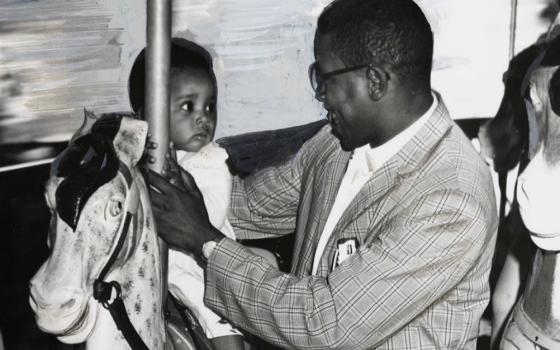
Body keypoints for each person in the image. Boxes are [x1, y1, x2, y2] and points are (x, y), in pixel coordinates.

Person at [148, 0, 499, 348]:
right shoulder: (335, 145)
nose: (319, 94)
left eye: (324, 77)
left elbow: (323, 323)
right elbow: (243, 206)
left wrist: (205, 241)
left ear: (374, 82)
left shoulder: (450, 198)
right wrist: (152, 179)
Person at [129, 38, 245, 350]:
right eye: (187, 106)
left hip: (198, 266)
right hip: (158, 265)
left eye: (210, 105)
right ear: (148, 115)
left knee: (217, 314)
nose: (203, 117)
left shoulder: (210, 161)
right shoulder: (142, 161)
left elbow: (213, 213)